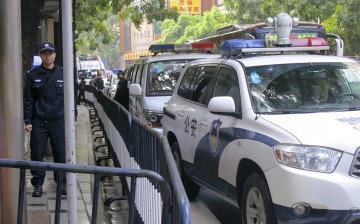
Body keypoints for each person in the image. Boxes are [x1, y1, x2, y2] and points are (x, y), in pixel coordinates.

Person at [23, 41, 67, 197]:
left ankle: (61, 183)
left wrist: (72, 118)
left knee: (60, 153)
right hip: (39, 121)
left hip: (59, 121)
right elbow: (28, 99)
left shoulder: (64, 73)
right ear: (41, 55)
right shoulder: (32, 76)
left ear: (55, 54)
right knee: (37, 154)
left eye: (50, 53)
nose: (47, 56)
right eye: (44, 53)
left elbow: (71, 98)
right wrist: (27, 121)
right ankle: (38, 184)